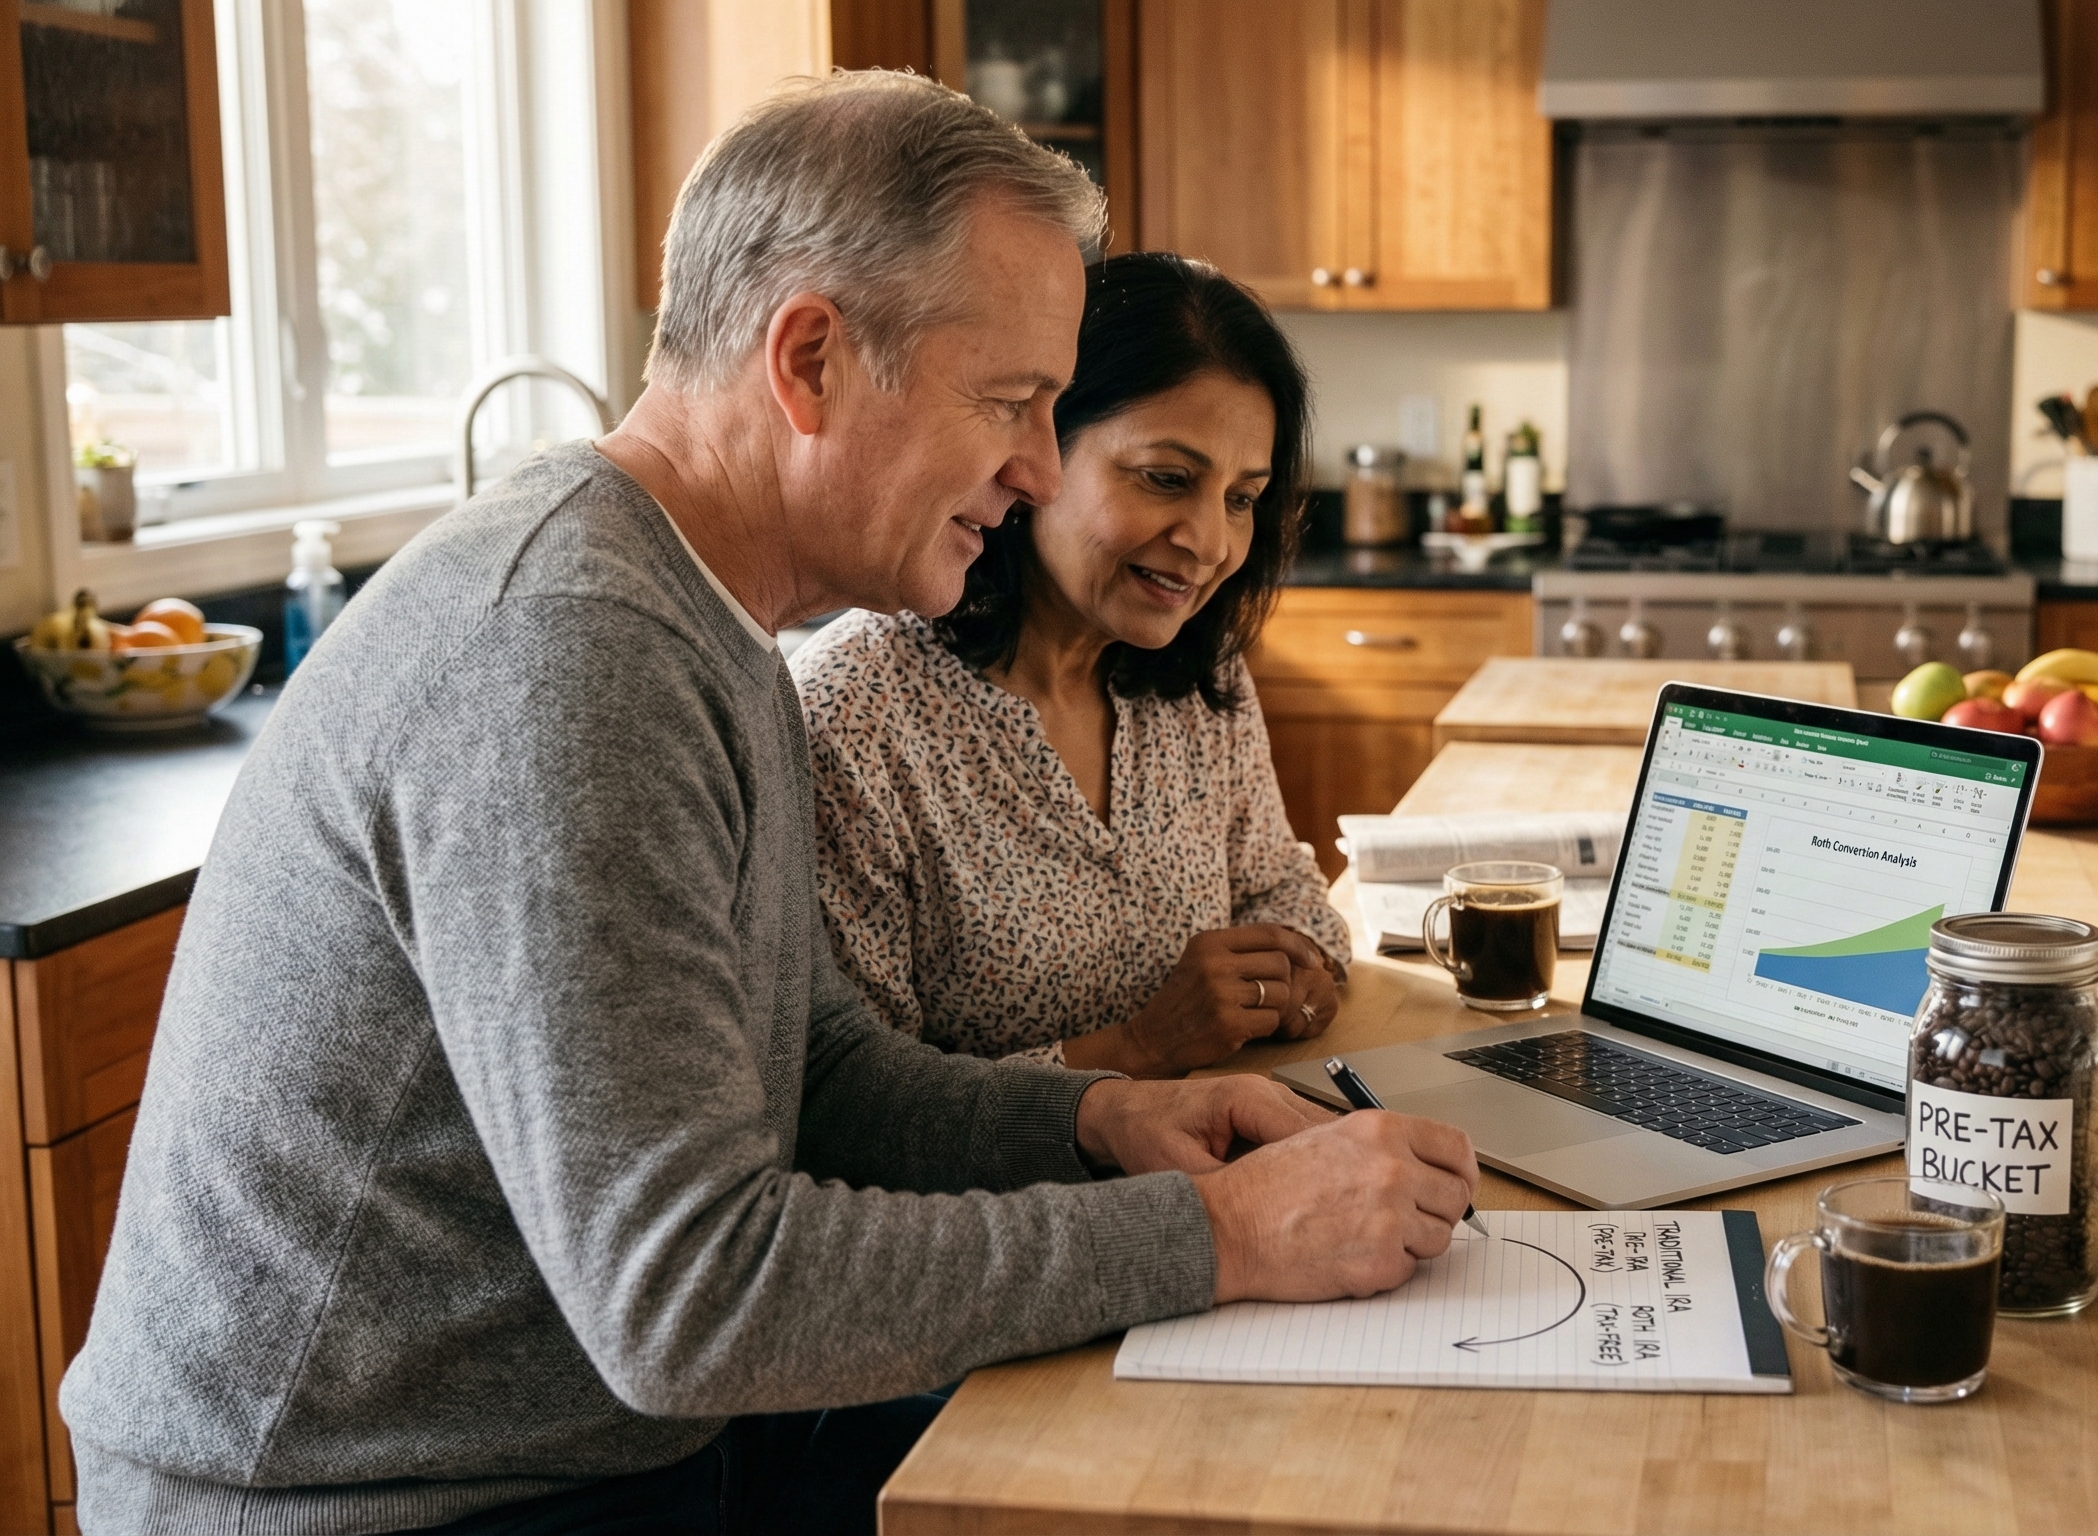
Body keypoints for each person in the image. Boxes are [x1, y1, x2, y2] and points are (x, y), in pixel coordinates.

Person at [59, 73, 1477, 1536]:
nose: (1039, 468)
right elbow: (687, 1297)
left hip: (575, 1457)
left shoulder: (701, 617)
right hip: (381, 1503)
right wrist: (1215, 1237)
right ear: (810, 361)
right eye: (1010, 402)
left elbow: (814, 1065)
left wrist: (1103, 1120)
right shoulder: (570, 651)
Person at [797, 252, 1348, 1080]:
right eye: (1166, 478)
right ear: (1037, 451)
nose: (1211, 544)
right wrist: (1137, 1051)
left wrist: (1296, 967)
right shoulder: (856, 717)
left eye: (1242, 498)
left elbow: (1284, 891)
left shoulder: (1204, 677)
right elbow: (855, 1097)